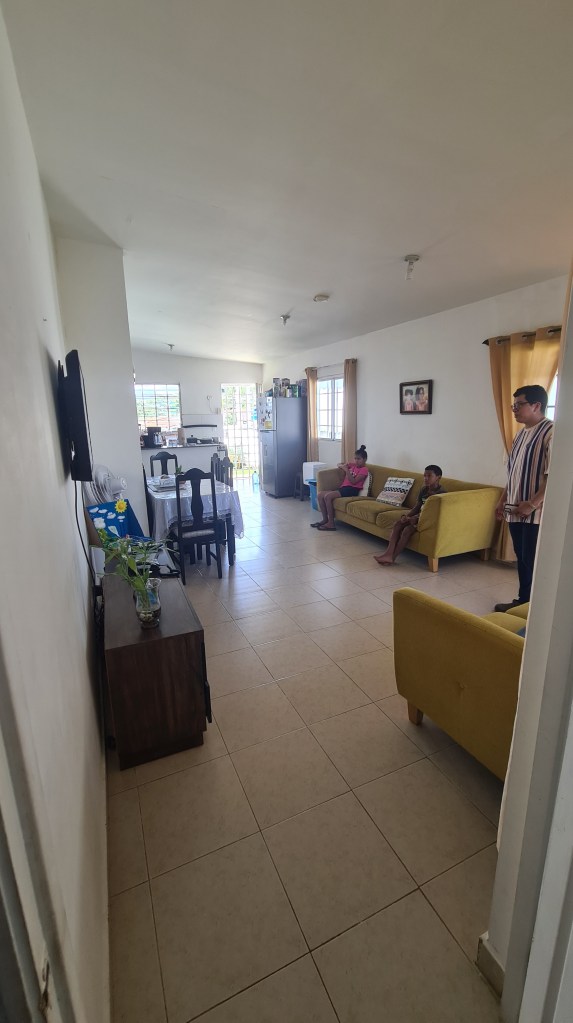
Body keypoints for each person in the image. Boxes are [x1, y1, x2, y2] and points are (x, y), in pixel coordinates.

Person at [493, 384, 553, 612]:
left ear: (536, 405)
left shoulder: (551, 432)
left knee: (532, 559)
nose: (514, 410)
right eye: (513, 405)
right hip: (514, 509)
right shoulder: (520, 434)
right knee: (522, 557)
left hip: (536, 514)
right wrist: (502, 500)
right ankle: (523, 602)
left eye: (519, 405)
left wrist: (533, 504)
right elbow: (513, 473)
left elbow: (554, 475)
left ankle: (538, 609)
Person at [374, 464, 445, 565]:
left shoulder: (441, 494)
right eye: (424, 475)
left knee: (407, 530)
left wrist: (417, 518)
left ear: (438, 477)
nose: (425, 478)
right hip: (418, 516)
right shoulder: (424, 489)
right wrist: (407, 516)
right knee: (398, 523)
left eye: (429, 476)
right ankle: (388, 553)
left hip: (427, 520)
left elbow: (433, 514)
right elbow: (417, 506)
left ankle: (392, 558)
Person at [311, 445, 369, 530]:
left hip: (352, 490)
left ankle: (331, 523)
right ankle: (325, 519)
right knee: (320, 495)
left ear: (364, 459)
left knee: (328, 497)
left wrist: (346, 470)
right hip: (344, 488)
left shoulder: (364, 470)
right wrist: (343, 466)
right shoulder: (353, 465)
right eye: (355, 458)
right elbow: (339, 464)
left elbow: (353, 481)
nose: (356, 461)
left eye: (359, 459)